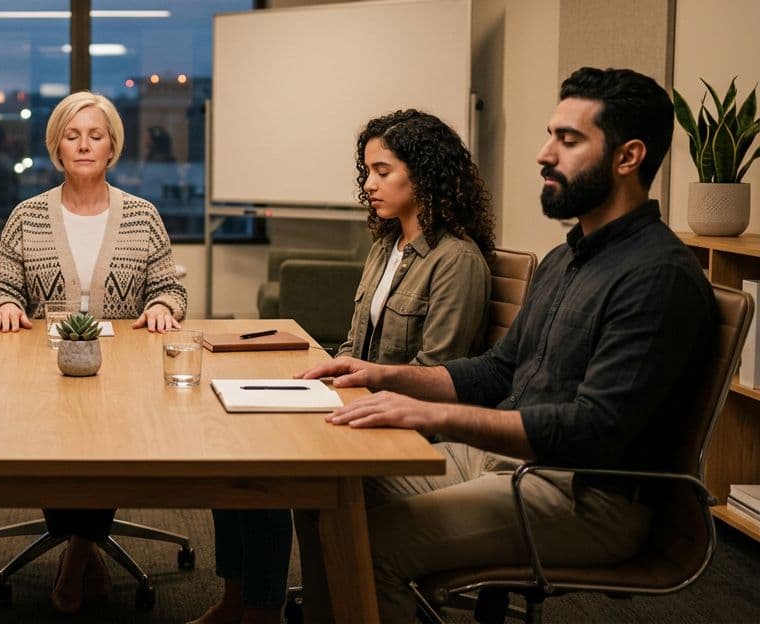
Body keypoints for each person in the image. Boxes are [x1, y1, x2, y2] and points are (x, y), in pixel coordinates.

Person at [299, 67, 715, 621]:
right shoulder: (569, 257)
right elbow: (498, 371)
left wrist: (428, 412)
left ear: (628, 157)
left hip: (584, 496)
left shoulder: (655, 276)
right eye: (550, 135)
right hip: (505, 464)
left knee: (368, 545)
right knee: (323, 491)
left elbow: (592, 430)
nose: (544, 153)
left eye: (568, 140)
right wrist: (384, 376)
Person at [193, 109, 495, 624]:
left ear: (423, 173)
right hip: (360, 404)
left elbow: (437, 375)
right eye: (368, 171)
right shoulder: (387, 246)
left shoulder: (456, 260)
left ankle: (264, 608)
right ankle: (240, 599)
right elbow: (356, 344)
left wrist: (343, 392)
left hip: (406, 428)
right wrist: (320, 378)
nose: (370, 184)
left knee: (263, 462)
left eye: (384, 171)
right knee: (238, 444)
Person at [0, 90, 188, 614]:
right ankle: (83, 542)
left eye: (95, 135)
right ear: (56, 147)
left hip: (123, 374)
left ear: (113, 146)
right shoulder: (27, 216)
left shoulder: (142, 215)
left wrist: (163, 305)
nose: (84, 145)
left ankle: (77, 547)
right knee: (55, 437)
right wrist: (6, 305)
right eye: (72, 136)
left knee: (107, 434)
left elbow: (172, 288)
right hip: (42, 372)